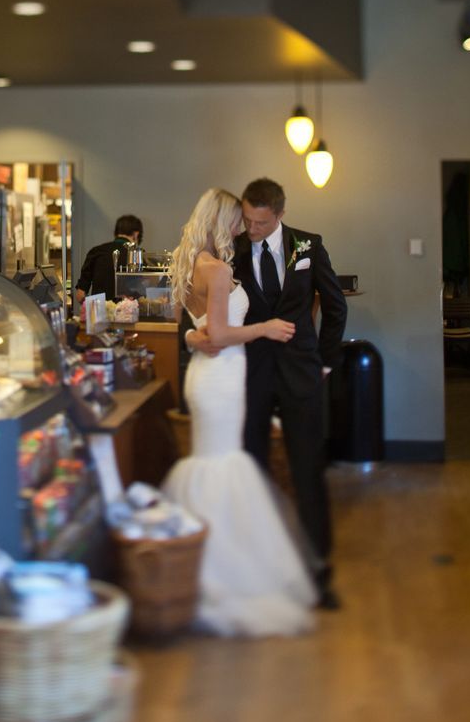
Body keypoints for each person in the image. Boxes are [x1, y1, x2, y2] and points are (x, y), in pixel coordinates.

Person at [163, 188, 317, 637]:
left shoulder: (190, 262)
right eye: (235, 220)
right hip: (221, 378)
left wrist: (193, 338)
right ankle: (219, 574)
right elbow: (221, 334)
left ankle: (205, 565)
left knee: (212, 462)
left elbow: (197, 331)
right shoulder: (219, 269)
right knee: (222, 465)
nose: (240, 228)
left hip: (206, 375)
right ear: (220, 220)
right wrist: (265, 328)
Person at [187, 177, 347, 609]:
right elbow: (204, 309)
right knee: (251, 469)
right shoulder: (231, 250)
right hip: (248, 374)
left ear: (280, 214)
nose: (252, 229)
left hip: (301, 374)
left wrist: (325, 362)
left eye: (260, 222)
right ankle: (259, 567)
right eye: (247, 220)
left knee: (307, 468)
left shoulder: (309, 246)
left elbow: (336, 307)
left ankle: (318, 571)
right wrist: (192, 336)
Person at [75, 214, 143, 302]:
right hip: (128, 309)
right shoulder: (138, 256)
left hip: (100, 309)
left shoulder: (96, 252)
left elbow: (80, 295)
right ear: (136, 234)